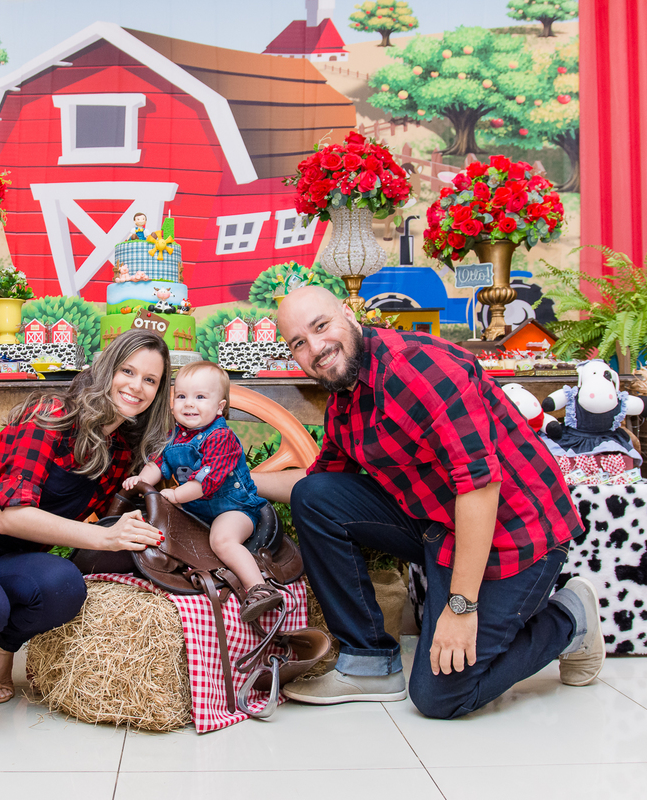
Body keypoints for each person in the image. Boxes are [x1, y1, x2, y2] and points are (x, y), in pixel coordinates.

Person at [256, 286, 600, 720]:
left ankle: (570, 619)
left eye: (321, 326)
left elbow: (479, 486)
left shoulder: (422, 369)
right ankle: (369, 662)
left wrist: (461, 607)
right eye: (298, 343)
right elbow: (319, 486)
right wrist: (235, 479)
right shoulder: (344, 401)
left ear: (348, 313)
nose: (316, 348)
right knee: (316, 497)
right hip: (442, 526)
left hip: (516, 534)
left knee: (441, 697)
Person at [0, 329, 172, 717]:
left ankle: (1, 650)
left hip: (8, 560)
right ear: (106, 370)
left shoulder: (120, 450)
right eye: (128, 371)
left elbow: (106, 518)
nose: (136, 386)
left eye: (150, 380)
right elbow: (11, 517)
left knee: (64, 586)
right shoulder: (51, 414)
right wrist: (107, 538)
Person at [125, 361, 280, 621]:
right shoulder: (173, 436)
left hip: (235, 508)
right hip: (196, 509)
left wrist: (174, 495)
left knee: (223, 540)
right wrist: (141, 480)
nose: (189, 404)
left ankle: (259, 589)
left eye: (200, 397)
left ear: (219, 407)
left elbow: (205, 482)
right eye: (182, 396)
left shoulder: (221, 437)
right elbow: (158, 463)